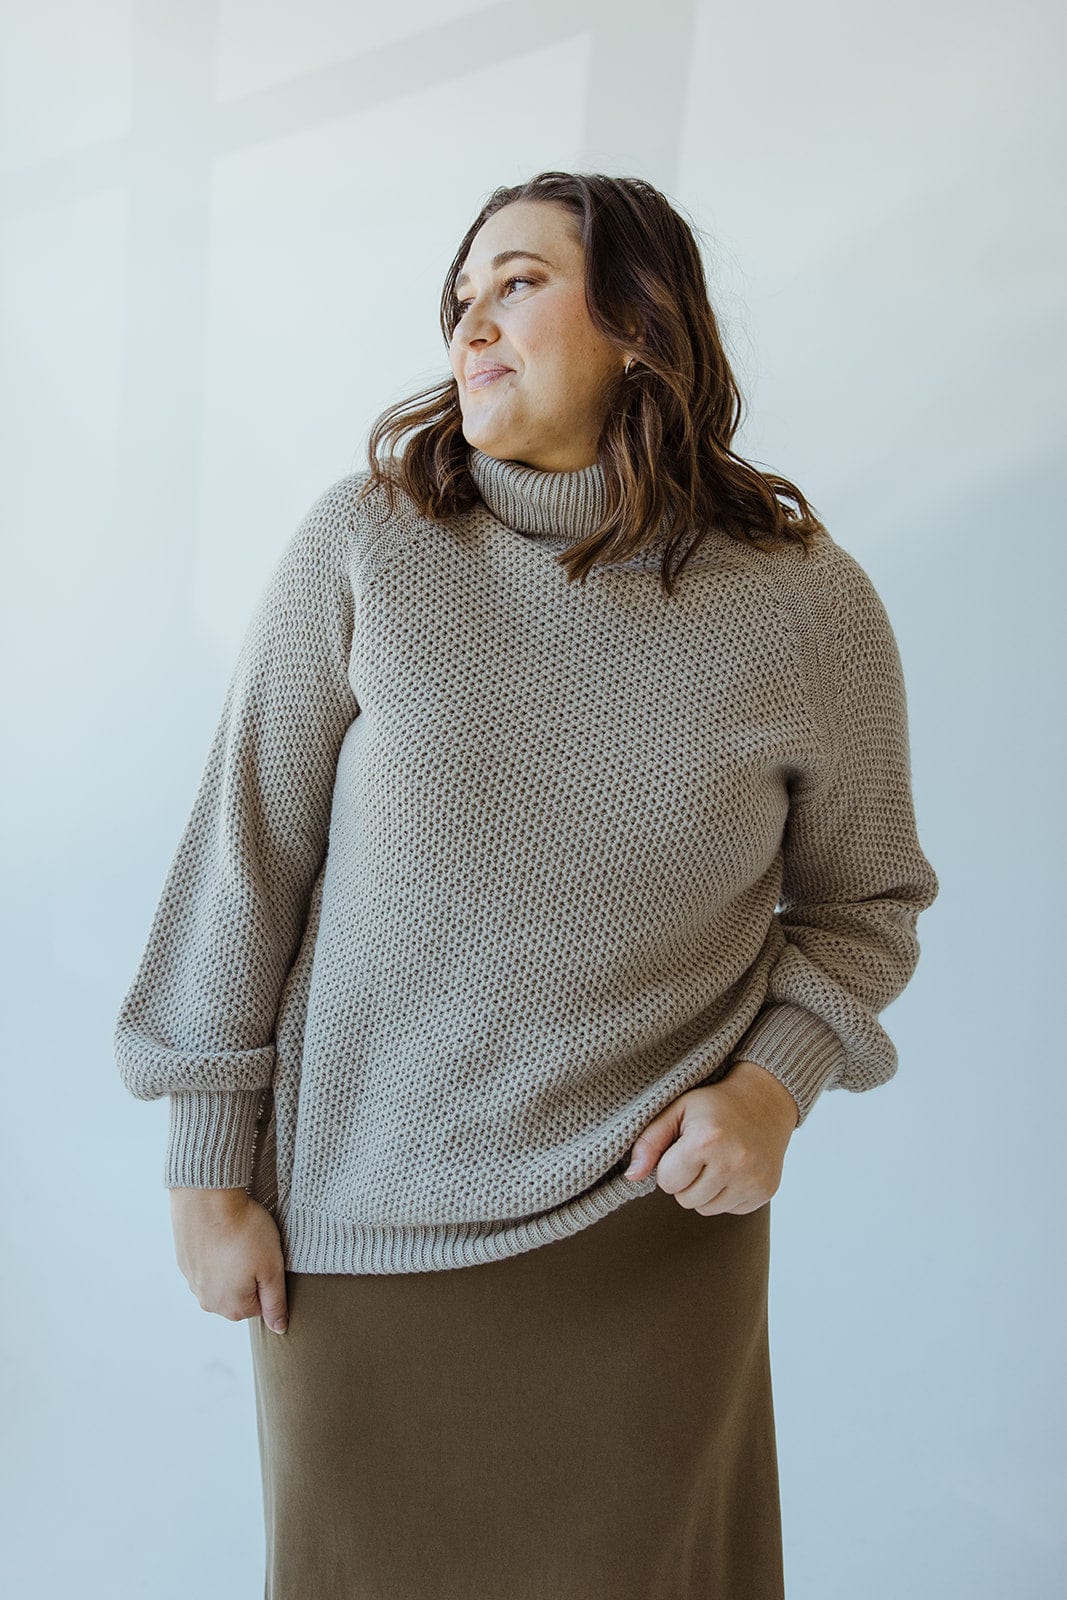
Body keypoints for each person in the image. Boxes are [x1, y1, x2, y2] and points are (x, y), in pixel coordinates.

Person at [113, 170, 939, 1599]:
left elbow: (866, 906)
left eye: (518, 283)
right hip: (360, 1237)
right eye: (459, 301)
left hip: (649, 1245)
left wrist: (771, 1088)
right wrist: (206, 1166)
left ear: (638, 319)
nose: (471, 326)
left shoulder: (805, 603)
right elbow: (245, 855)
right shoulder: (369, 544)